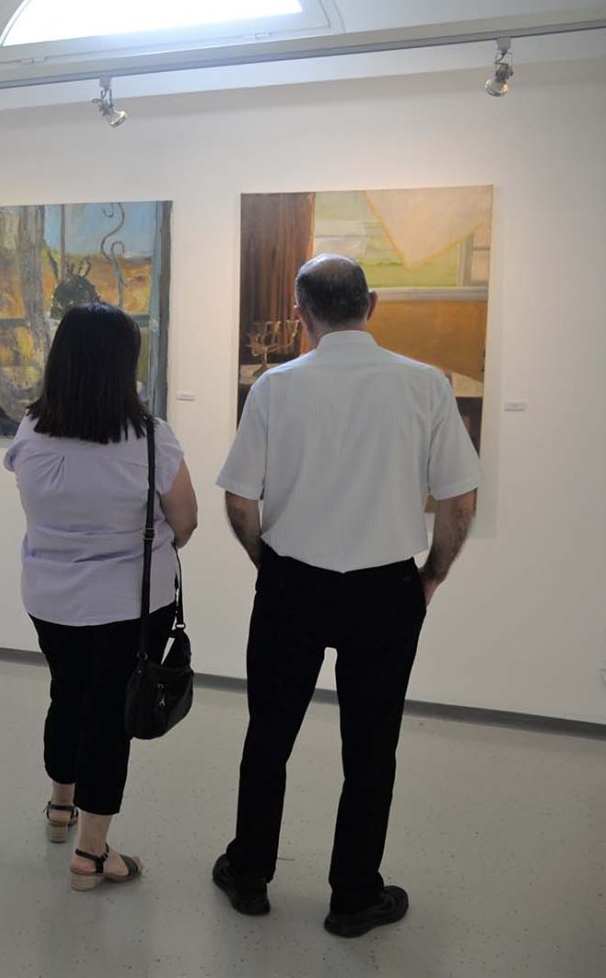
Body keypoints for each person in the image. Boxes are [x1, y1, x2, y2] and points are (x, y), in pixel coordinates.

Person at [212, 253, 480, 937]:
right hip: (385, 591)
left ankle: (249, 875)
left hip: (291, 585)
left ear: (301, 314)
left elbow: (240, 501)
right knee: (370, 749)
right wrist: (430, 576)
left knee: (268, 736)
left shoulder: (275, 387)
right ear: (373, 303)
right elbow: (459, 501)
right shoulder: (426, 385)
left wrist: (268, 563)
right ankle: (354, 897)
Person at [4, 302, 198, 891]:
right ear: (122, 364)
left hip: (49, 599)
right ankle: (91, 855)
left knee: (67, 694)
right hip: (129, 605)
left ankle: (60, 807)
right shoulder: (150, 439)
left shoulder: (31, 430)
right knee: (110, 718)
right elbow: (185, 521)